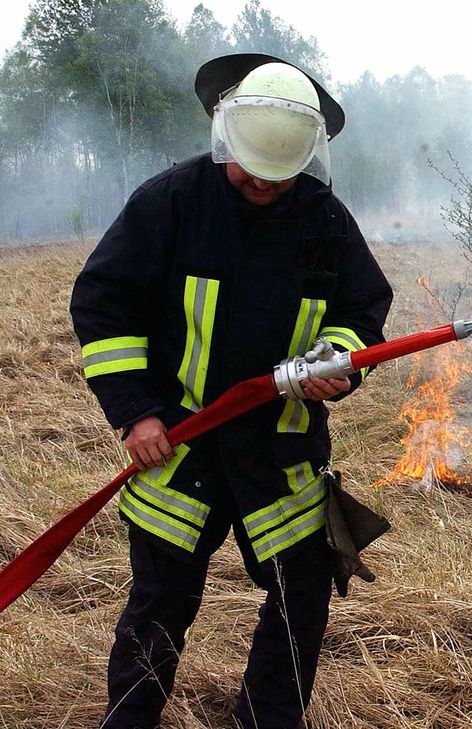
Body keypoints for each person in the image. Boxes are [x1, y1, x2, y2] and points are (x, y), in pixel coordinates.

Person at [70, 53, 393, 728]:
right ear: (225, 141)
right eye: (250, 170)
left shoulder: (326, 221)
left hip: (279, 454)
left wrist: (340, 360)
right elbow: (104, 303)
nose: (262, 185)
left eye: (279, 177)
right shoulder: (170, 203)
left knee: (300, 600)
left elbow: (362, 311)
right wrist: (135, 413)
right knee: (158, 606)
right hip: (180, 449)